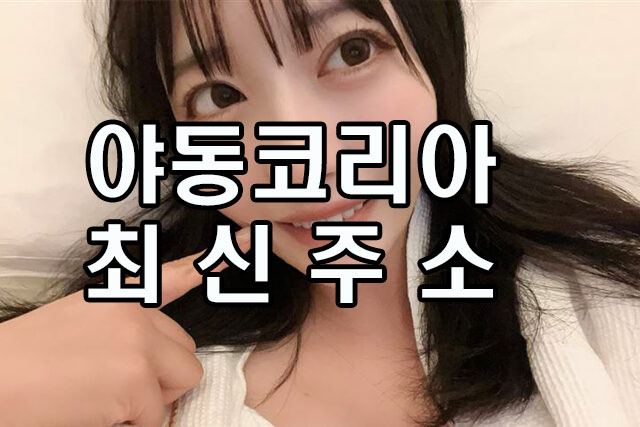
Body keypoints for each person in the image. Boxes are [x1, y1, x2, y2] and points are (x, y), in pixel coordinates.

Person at [1, 1, 639, 426]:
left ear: (434, 60)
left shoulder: (608, 289)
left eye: (352, 52)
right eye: (219, 96)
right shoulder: (108, 347)